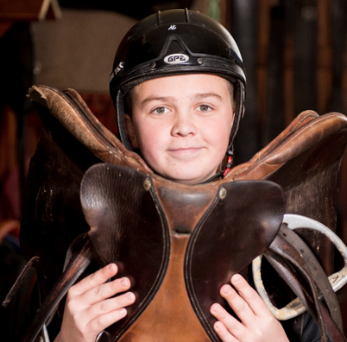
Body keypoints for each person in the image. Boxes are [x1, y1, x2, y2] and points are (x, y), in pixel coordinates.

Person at [53, 9, 319, 342]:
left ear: (234, 115)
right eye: (159, 109)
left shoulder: (279, 257)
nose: (183, 127)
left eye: (204, 106)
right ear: (130, 126)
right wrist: (67, 338)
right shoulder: (85, 248)